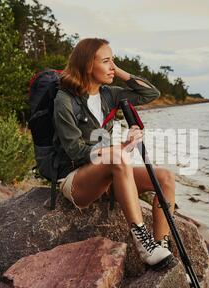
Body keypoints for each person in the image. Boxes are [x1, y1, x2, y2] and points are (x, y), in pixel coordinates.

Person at [53, 38, 176, 270]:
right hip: (76, 180)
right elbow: (76, 151)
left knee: (165, 177)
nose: (112, 67)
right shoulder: (65, 100)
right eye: (106, 61)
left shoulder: (110, 94)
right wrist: (119, 149)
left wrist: (118, 71)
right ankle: (143, 244)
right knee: (117, 158)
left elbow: (151, 93)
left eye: (114, 61)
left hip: (108, 174)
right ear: (89, 66)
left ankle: (161, 247)